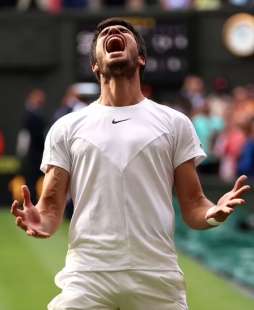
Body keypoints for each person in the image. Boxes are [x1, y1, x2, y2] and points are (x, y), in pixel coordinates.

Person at [11, 18, 250, 310]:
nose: (113, 32)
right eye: (105, 34)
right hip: (87, 276)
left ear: (141, 58)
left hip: (157, 276)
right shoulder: (65, 128)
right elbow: (50, 208)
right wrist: (42, 223)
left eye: (123, 31)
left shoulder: (175, 123)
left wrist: (213, 212)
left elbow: (194, 205)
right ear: (95, 66)